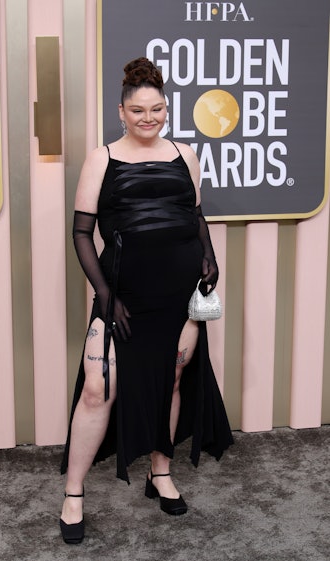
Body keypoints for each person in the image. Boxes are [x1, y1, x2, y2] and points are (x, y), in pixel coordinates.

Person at [59, 57, 233, 545]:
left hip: (179, 293)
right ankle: (73, 493)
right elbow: (81, 233)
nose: (148, 118)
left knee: (172, 375)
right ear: (121, 111)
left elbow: (195, 216)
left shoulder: (185, 153)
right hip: (124, 294)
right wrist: (106, 295)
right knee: (98, 387)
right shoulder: (102, 158)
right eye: (138, 111)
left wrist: (209, 259)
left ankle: (161, 472)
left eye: (157, 109)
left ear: (166, 108)